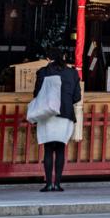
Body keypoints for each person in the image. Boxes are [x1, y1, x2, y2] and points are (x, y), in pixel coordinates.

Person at [27, 31, 82, 192]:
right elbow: (77, 96)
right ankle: (57, 183)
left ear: (48, 59)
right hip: (65, 114)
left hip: (47, 114)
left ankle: (48, 183)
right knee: (60, 149)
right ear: (63, 57)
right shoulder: (72, 73)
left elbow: (36, 94)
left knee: (48, 150)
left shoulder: (43, 72)